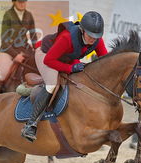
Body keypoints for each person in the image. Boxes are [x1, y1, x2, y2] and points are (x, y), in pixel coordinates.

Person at [21, 11, 108, 142]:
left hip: (67, 57)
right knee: (51, 84)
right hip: (46, 54)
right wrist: (70, 68)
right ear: (82, 30)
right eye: (90, 35)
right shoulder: (67, 38)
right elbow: (49, 60)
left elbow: (105, 60)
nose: (93, 39)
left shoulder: (96, 40)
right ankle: (30, 124)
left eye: (96, 36)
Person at [0, 0, 38, 94]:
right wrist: (15, 55)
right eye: (19, 1)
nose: (22, 4)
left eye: (24, 1)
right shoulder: (8, 15)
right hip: (8, 49)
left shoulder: (29, 15)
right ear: (14, 2)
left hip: (25, 49)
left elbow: (33, 35)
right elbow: (4, 40)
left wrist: (37, 49)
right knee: (3, 74)